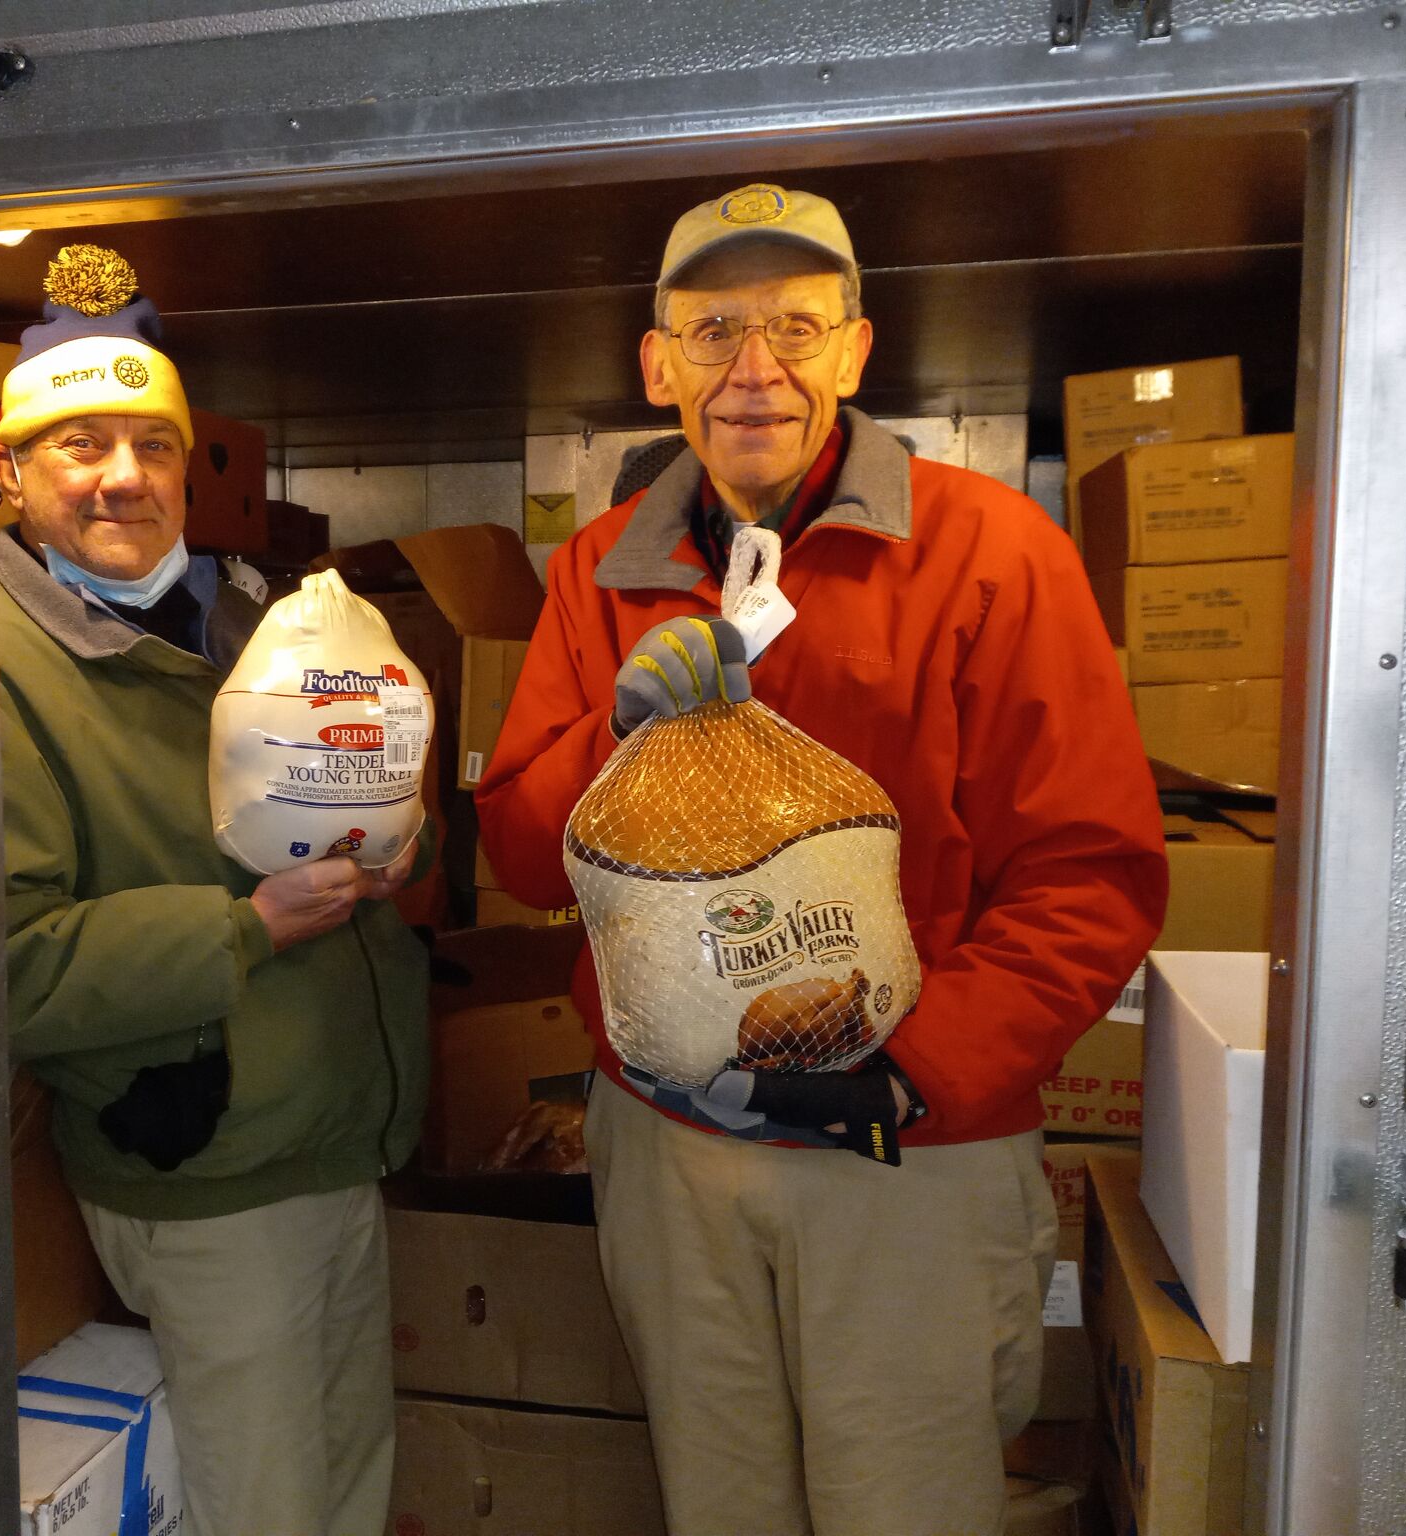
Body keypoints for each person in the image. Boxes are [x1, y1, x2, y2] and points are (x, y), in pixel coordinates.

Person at [475, 184, 1167, 1534]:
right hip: (671, 1151)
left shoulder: (991, 554)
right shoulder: (600, 575)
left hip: (908, 1154)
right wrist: (609, 735)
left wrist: (909, 1069)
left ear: (857, 350)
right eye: (713, 327)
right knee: (719, 1505)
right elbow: (517, 853)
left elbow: (1092, 876)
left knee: (904, 1506)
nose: (753, 370)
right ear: (655, 363)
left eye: (795, 327)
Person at [0, 243, 430, 1536]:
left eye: (153, 443)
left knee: (347, 1486)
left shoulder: (236, 615)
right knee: (269, 1511)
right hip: (213, 1173)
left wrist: (390, 846)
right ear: (8, 468)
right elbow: (7, 963)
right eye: (80, 444)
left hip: (328, 1143)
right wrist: (241, 931)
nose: (124, 475)